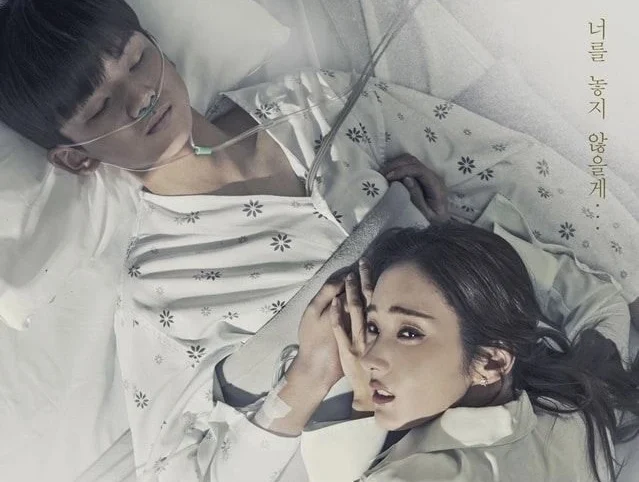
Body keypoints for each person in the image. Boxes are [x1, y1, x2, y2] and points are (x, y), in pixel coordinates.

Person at [1, 1, 637, 480]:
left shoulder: (317, 103)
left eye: (137, 61)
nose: (140, 98)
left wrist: (444, 237)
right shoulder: (158, 287)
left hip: (549, 392)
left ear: (158, 47)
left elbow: (504, 166)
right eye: (101, 108)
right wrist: (305, 379)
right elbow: (176, 469)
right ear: (77, 158)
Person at [280, 222, 639, 482]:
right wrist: (461, 257)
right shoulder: (575, 403)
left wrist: (359, 400)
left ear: (491, 362)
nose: (368, 359)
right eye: (372, 326)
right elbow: (604, 306)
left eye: (409, 333)